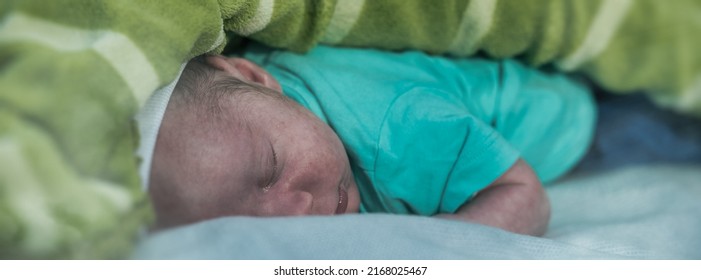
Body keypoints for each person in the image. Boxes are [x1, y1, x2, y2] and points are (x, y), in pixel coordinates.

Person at [147, 45, 595, 236]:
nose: (295, 213)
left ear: (251, 74)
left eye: (270, 169)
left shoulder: (399, 130)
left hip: (568, 113)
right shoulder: (252, 110)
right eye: (247, 226)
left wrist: (438, 245)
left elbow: (523, 192)